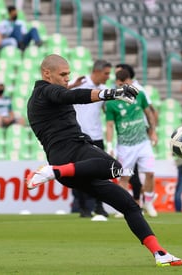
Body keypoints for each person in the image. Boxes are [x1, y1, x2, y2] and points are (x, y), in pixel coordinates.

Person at [26, 54, 182, 266]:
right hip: (70, 154)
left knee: (129, 206)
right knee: (115, 167)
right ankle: (52, 172)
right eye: (63, 75)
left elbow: (68, 94)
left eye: (68, 75)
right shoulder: (44, 92)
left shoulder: (48, 94)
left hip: (72, 166)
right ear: (46, 73)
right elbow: (72, 96)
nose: (66, 79)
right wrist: (113, 93)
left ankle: (159, 253)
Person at [106, 69, 158, 218]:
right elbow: (109, 125)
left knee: (150, 173)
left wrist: (153, 132)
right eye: (121, 84)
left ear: (130, 82)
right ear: (117, 83)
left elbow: (149, 114)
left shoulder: (139, 95)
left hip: (143, 143)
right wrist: (109, 145)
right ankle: (122, 207)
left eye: (127, 83)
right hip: (125, 146)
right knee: (125, 177)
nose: (124, 87)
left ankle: (148, 202)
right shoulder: (112, 103)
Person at [68, 60, 112, 218]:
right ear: (97, 71)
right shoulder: (80, 82)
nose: (108, 76)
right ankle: (82, 207)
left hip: (97, 136)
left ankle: (99, 206)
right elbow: (56, 93)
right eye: (106, 73)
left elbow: (109, 111)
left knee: (100, 172)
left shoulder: (104, 90)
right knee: (77, 173)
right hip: (77, 136)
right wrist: (72, 86)